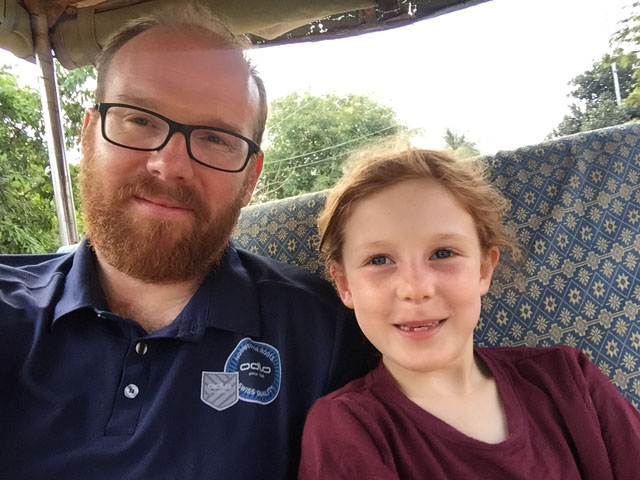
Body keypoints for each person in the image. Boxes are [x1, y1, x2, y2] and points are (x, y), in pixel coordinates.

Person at [0, 5, 372, 479]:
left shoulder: (327, 333)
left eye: (216, 138)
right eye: (140, 120)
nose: (170, 164)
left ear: (250, 177)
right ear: (89, 137)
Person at [298, 146, 640, 479]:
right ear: (345, 284)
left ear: (484, 269)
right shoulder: (346, 426)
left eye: (443, 253)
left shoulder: (567, 378)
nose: (416, 288)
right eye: (379, 260)